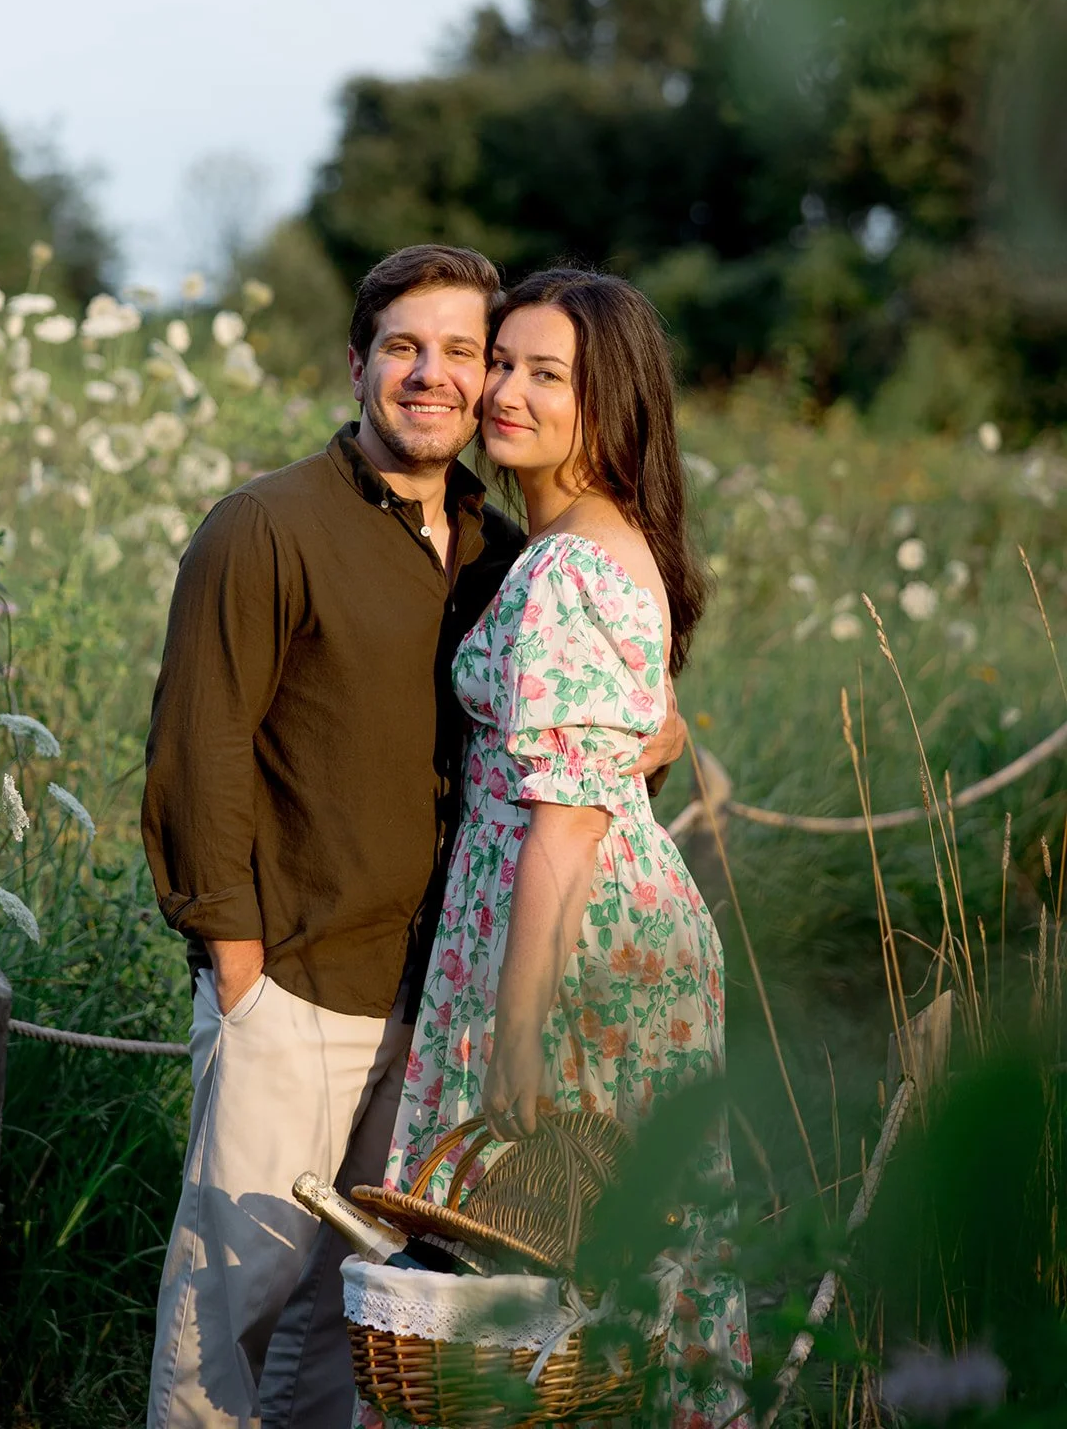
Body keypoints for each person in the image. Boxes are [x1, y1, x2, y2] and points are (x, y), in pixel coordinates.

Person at [141, 246, 686, 1429]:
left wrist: (661, 726)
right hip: (297, 982)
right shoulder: (265, 525)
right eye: (407, 347)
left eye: (468, 353)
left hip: (442, 990)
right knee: (225, 1310)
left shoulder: (505, 552)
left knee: (360, 1315)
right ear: (358, 363)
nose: (442, 378)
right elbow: (197, 759)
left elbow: (593, 705)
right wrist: (239, 970)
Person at [359, 270, 751, 1429]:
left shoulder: (571, 566)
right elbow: (624, 736)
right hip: (578, 914)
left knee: (543, 1253)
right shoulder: (582, 542)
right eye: (507, 364)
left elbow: (568, 819)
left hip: (569, 946)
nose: (506, 395)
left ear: (610, 400)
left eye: (548, 374)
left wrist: (514, 1031)